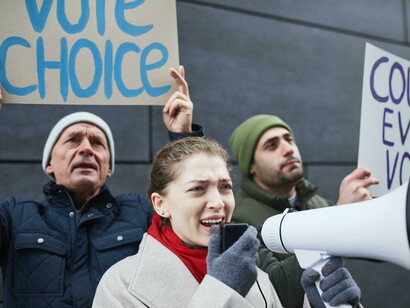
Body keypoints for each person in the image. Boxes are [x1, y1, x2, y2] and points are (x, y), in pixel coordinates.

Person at [0, 66, 204, 307]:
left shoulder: (139, 213)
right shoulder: (15, 216)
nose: (86, 148)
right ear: (49, 164)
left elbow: (193, 214)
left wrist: (182, 136)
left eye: (97, 143)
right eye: (72, 140)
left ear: (108, 167)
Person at [92, 137, 362, 308]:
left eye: (224, 187)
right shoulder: (119, 286)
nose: (218, 202)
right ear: (160, 204)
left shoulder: (257, 277)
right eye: (198, 188)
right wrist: (222, 291)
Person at [229, 114, 379, 307]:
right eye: (272, 146)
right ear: (251, 167)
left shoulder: (317, 203)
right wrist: (340, 218)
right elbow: (275, 289)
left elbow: (372, 248)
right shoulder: (236, 217)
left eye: (289, 139)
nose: (288, 149)